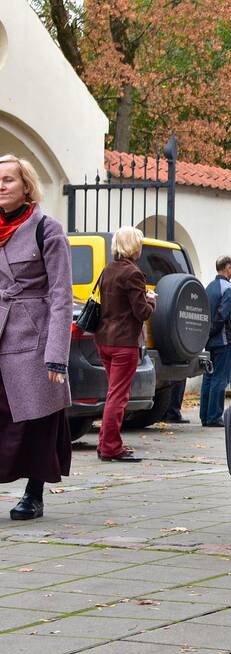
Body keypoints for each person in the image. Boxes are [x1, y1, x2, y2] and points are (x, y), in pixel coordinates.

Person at [0, 155, 73, 519]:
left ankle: (34, 493)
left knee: (36, 418)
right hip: (1, 333)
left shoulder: (47, 229)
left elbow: (62, 293)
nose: (1, 186)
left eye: (8, 179)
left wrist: (56, 354)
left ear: (26, 186)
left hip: (34, 335)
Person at [96, 227, 156, 462]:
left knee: (113, 393)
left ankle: (105, 443)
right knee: (118, 396)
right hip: (124, 343)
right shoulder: (133, 273)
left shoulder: (107, 270)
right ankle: (111, 447)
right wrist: (151, 300)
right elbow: (141, 312)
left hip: (104, 340)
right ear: (134, 247)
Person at [200, 255, 231, 428]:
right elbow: (224, 315)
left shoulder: (209, 288)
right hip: (224, 341)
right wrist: (214, 331)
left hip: (210, 341)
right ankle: (214, 416)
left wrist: (207, 334)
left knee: (208, 377)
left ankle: (205, 416)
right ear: (227, 267)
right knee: (220, 378)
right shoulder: (228, 288)